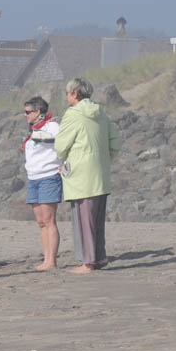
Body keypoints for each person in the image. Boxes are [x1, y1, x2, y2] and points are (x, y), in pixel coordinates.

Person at [54, 78, 122, 274]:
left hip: (80, 174)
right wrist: (105, 159)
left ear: (74, 94)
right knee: (97, 220)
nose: (67, 97)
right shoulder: (101, 113)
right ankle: (99, 257)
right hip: (100, 173)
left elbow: (60, 146)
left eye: (68, 93)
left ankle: (88, 262)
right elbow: (115, 142)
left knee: (84, 220)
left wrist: (67, 158)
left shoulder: (73, 114)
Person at [20, 96, 63, 271]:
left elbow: (59, 142)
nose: (25, 115)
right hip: (34, 177)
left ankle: (51, 261)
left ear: (38, 112)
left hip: (49, 176)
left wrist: (35, 135)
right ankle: (46, 259)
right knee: (40, 221)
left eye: (28, 112)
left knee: (49, 219)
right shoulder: (32, 130)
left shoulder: (52, 126)